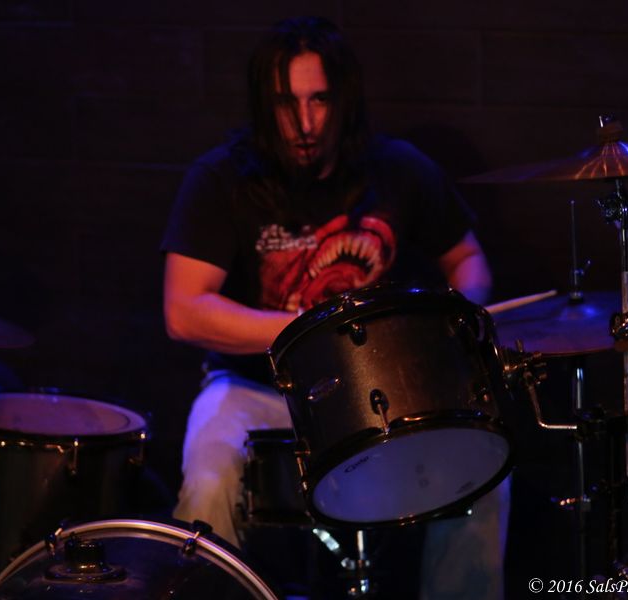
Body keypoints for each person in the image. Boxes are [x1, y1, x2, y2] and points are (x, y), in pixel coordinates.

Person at [161, 16, 509, 600]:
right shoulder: (221, 177)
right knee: (208, 478)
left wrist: (454, 325)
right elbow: (183, 311)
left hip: (384, 393)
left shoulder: (397, 168)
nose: (304, 123)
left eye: (319, 100)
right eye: (286, 102)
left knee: (482, 473)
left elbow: (468, 260)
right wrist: (311, 333)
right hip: (255, 389)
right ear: (263, 103)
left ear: (343, 98)